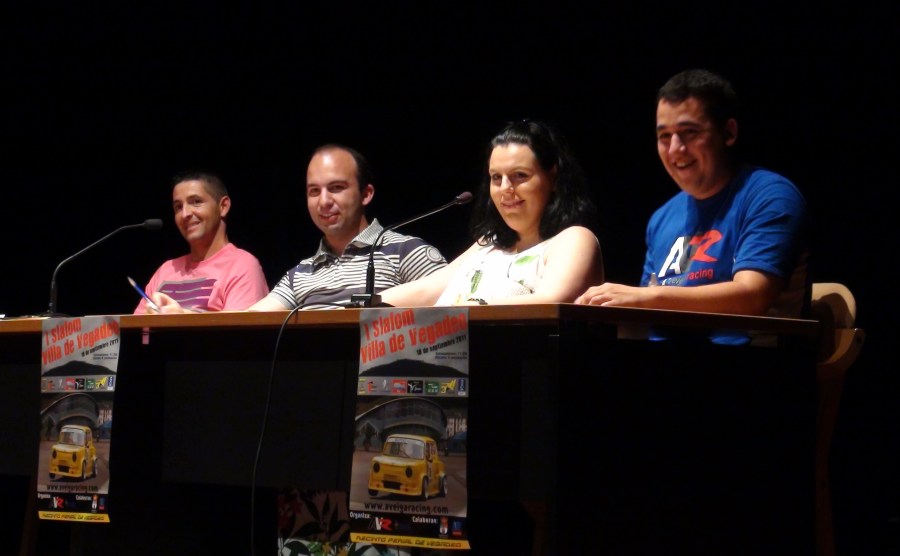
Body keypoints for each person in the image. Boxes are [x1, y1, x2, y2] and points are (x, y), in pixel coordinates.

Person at [575, 69, 809, 340]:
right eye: (664, 136)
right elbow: (645, 316)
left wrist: (642, 297)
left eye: (689, 132)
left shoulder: (770, 196)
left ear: (729, 132)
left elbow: (752, 296)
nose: (675, 149)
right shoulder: (662, 218)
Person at [379, 119, 604, 307]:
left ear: (553, 178)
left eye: (520, 175)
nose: (505, 188)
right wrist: (366, 303)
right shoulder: (488, 243)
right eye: (496, 177)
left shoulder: (573, 239)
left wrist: (468, 308)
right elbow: (427, 290)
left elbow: (551, 301)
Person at [247, 144, 448, 310]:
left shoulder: (406, 252)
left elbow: (454, 300)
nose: (324, 201)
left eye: (336, 188)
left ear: (366, 194)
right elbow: (249, 322)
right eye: (314, 191)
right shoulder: (299, 274)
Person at [135, 172, 268, 314]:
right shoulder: (166, 270)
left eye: (196, 202)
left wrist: (181, 318)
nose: (185, 214)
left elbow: (238, 327)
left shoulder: (242, 265)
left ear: (223, 206)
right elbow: (134, 326)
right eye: (178, 207)